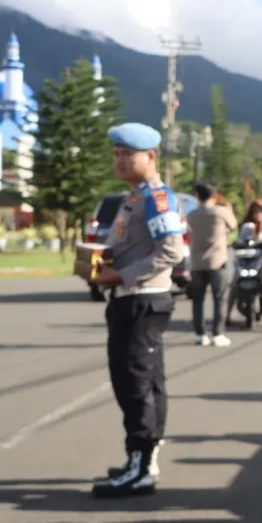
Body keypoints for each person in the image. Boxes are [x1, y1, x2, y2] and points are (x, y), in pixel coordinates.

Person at [92, 122, 185, 498]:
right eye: (116, 155)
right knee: (145, 383)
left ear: (151, 157)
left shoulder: (157, 199)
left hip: (142, 298)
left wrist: (122, 275)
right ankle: (143, 459)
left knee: (135, 386)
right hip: (131, 299)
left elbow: (171, 252)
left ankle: (141, 466)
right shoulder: (135, 196)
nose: (120, 162)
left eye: (127, 155)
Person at [187, 183, 237, 347]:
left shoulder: (192, 215)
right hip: (217, 260)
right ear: (213, 195)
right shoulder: (220, 212)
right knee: (219, 298)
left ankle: (200, 334)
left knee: (198, 300)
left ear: (197, 196)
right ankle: (217, 333)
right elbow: (234, 225)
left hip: (196, 262)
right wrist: (228, 208)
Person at [225, 200, 262, 325]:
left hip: (261, 259)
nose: (257, 215)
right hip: (245, 259)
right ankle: (227, 315)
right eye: (255, 212)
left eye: (259, 212)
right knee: (234, 284)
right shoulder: (246, 226)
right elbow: (236, 239)